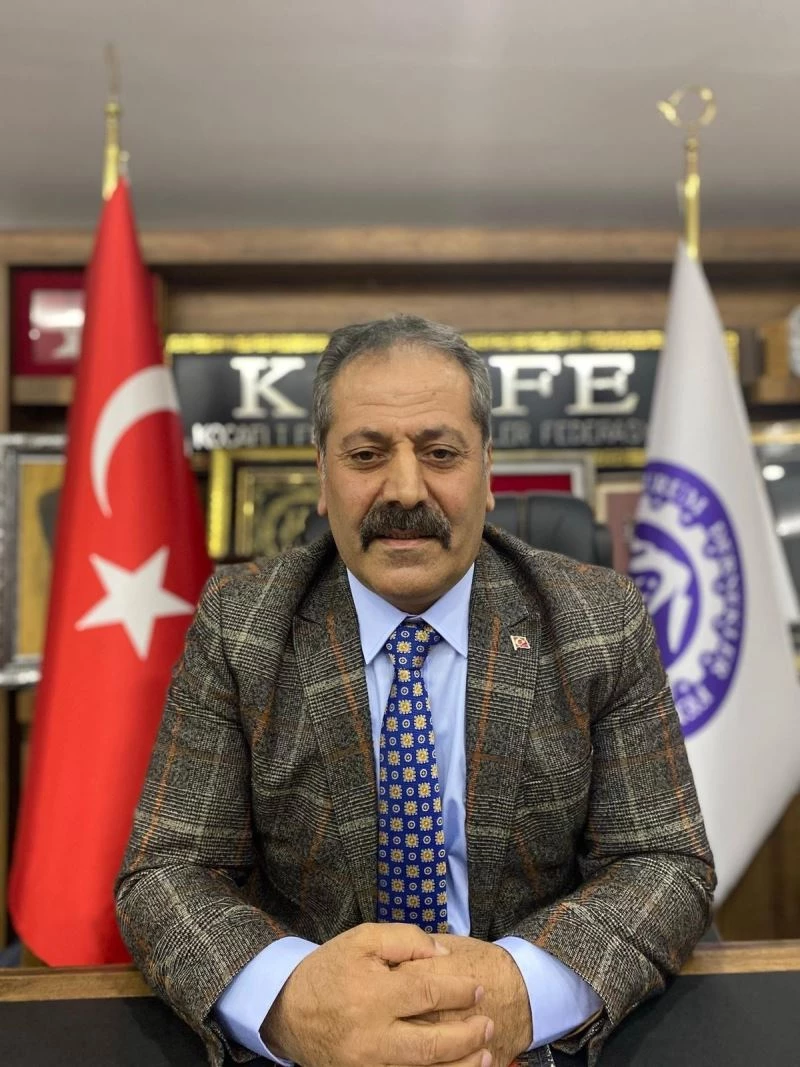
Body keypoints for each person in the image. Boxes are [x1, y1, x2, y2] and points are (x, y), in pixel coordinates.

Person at [116, 315, 715, 1067]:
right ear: (323, 475)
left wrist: (520, 991)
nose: (404, 490)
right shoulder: (242, 625)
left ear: (487, 471)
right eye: (367, 455)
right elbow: (166, 872)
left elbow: (664, 861)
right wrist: (293, 1002)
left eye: (440, 453)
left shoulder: (599, 620)